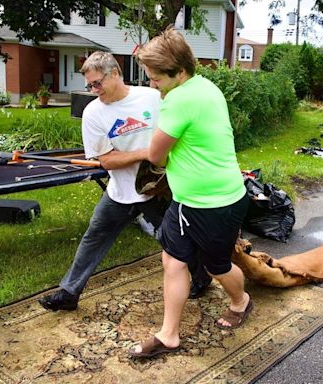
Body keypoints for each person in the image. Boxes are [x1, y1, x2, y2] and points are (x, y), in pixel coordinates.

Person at [38, 51, 209, 312]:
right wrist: (147, 153)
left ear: (116, 73)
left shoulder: (152, 98)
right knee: (94, 236)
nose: (94, 90)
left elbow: (177, 132)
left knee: (173, 238)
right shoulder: (93, 113)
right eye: (89, 86)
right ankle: (69, 293)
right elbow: (106, 161)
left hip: (157, 189)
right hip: (120, 191)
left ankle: (201, 278)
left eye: (97, 83)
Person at [128, 27, 252, 359]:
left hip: (217, 203)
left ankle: (241, 301)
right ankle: (168, 335)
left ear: (179, 71)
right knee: (173, 260)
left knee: (216, 268)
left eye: (156, 79)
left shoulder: (180, 99)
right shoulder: (206, 85)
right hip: (186, 202)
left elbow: (155, 156)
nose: (153, 85)